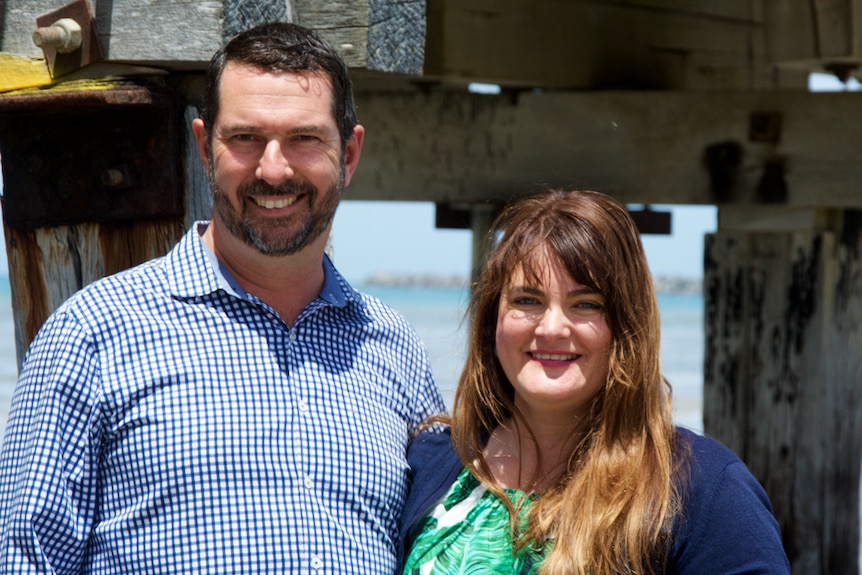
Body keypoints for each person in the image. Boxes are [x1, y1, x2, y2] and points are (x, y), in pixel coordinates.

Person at [0, 22, 445, 574]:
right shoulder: (92, 334)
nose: (274, 169)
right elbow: (24, 559)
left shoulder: (394, 348)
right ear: (204, 148)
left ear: (349, 154)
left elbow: (439, 550)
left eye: (305, 139)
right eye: (246, 139)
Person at [400, 189, 790, 574]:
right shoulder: (432, 462)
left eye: (586, 304)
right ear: (492, 322)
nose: (552, 328)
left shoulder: (704, 490)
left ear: (626, 327)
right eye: (526, 301)